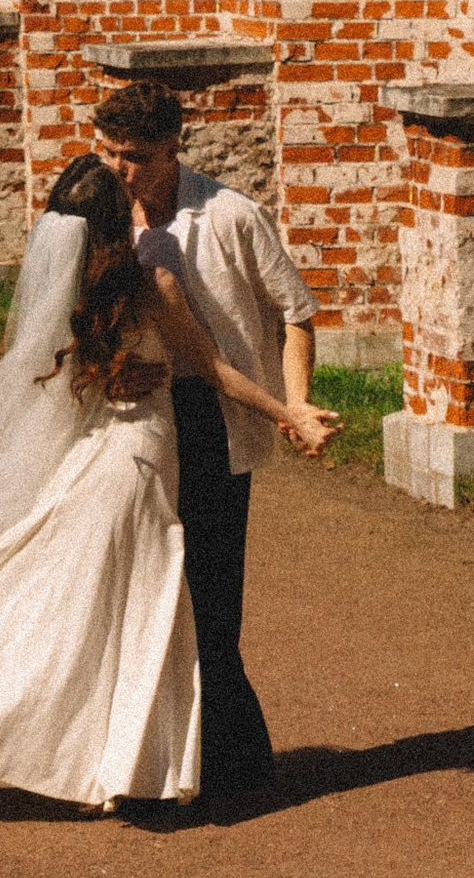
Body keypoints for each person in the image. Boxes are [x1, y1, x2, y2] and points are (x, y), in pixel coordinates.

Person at [0, 158, 333, 813]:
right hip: (139, 468)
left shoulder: (75, 296)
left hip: (96, 457)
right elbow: (213, 370)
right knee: (118, 616)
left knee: (62, 602)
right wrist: (287, 413)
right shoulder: (152, 285)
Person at [90, 77, 319, 800]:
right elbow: (75, 330)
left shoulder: (232, 215)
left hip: (219, 422)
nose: (119, 169)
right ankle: (149, 765)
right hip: (129, 432)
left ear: (174, 148)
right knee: (140, 596)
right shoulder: (96, 215)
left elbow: (297, 313)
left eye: (134, 156)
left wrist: (300, 403)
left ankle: (237, 770)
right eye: (107, 152)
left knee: (213, 602)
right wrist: (108, 373)